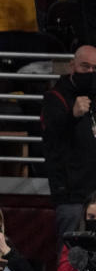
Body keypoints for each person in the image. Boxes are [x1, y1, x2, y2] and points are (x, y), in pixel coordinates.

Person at [42, 45, 96, 245]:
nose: (90, 72)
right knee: (70, 256)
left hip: (94, 194)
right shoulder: (55, 98)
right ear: (72, 66)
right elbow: (51, 135)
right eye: (85, 66)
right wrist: (72, 116)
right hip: (71, 196)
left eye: (95, 69)